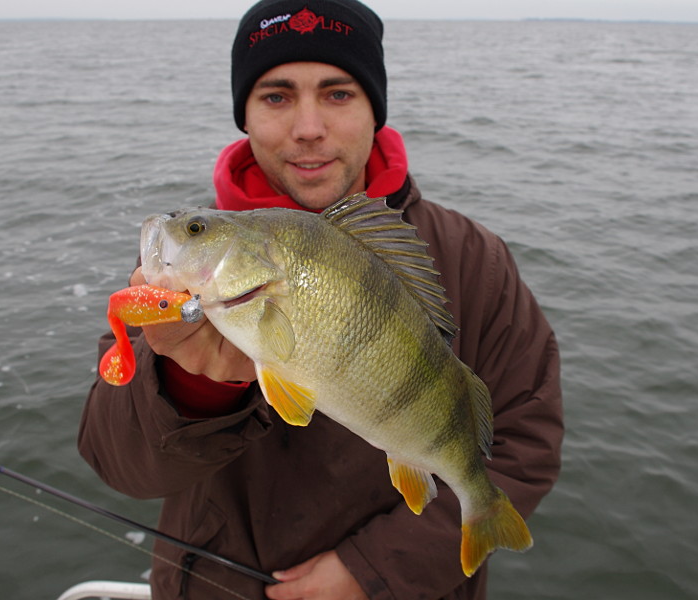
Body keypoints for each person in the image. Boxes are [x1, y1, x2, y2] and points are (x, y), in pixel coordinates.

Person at [78, 1, 564, 598]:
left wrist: (377, 569)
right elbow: (119, 464)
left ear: (374, 110)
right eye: (277, 96)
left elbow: (527, 442)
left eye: (337, 94)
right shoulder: (186, 270)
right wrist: (193, 385)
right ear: (245, 116)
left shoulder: (474, 260)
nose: (309, 127)